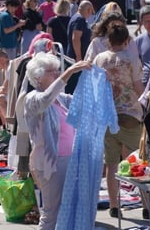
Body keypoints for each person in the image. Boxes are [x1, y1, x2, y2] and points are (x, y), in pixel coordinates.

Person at [23, 54, 92, 230]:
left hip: (69, 160)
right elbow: (45, 100)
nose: (56, 73)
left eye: (57, 70)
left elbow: (81, 101)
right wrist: (69, 72)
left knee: (68, 210)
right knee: (51, 212)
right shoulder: (32, 98)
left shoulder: (61, 98)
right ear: (38, 77)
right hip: (50, 164)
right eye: (51, 71)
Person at [92, 23, 144, 219]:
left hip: (107, 116)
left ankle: (114, 205)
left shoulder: (100, 59)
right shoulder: (131, 59)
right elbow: (138, 87)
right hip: (130, 114)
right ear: (126, 41)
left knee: (112, 163)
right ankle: (146, 205)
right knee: (136, 162)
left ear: (108, 40)